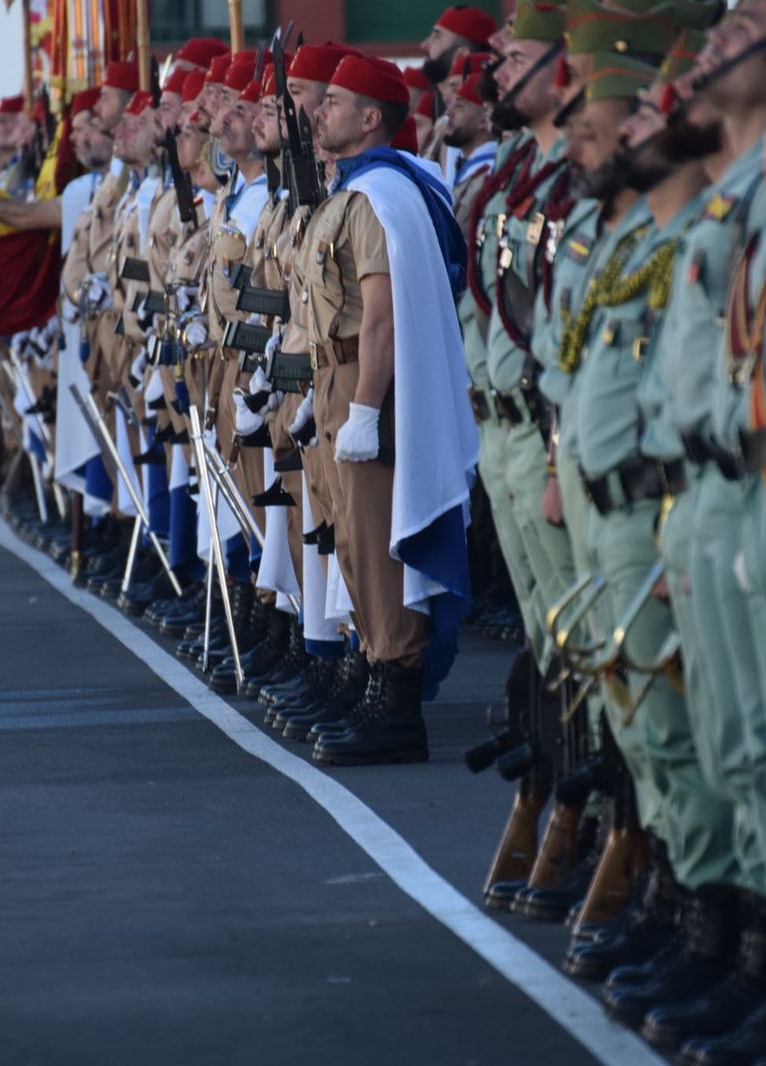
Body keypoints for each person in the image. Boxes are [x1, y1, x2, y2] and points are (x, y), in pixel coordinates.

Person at [299, 55, 478, 765]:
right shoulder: (356, 191)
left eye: (334, 101)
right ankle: (373, 676)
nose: (319, 111)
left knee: (382, 546)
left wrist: (366, 409)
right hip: (340, 381)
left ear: (371, 117)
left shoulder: (380, 195)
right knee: (353, 544)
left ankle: (396, 705)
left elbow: (381, 318)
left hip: (367, 385)